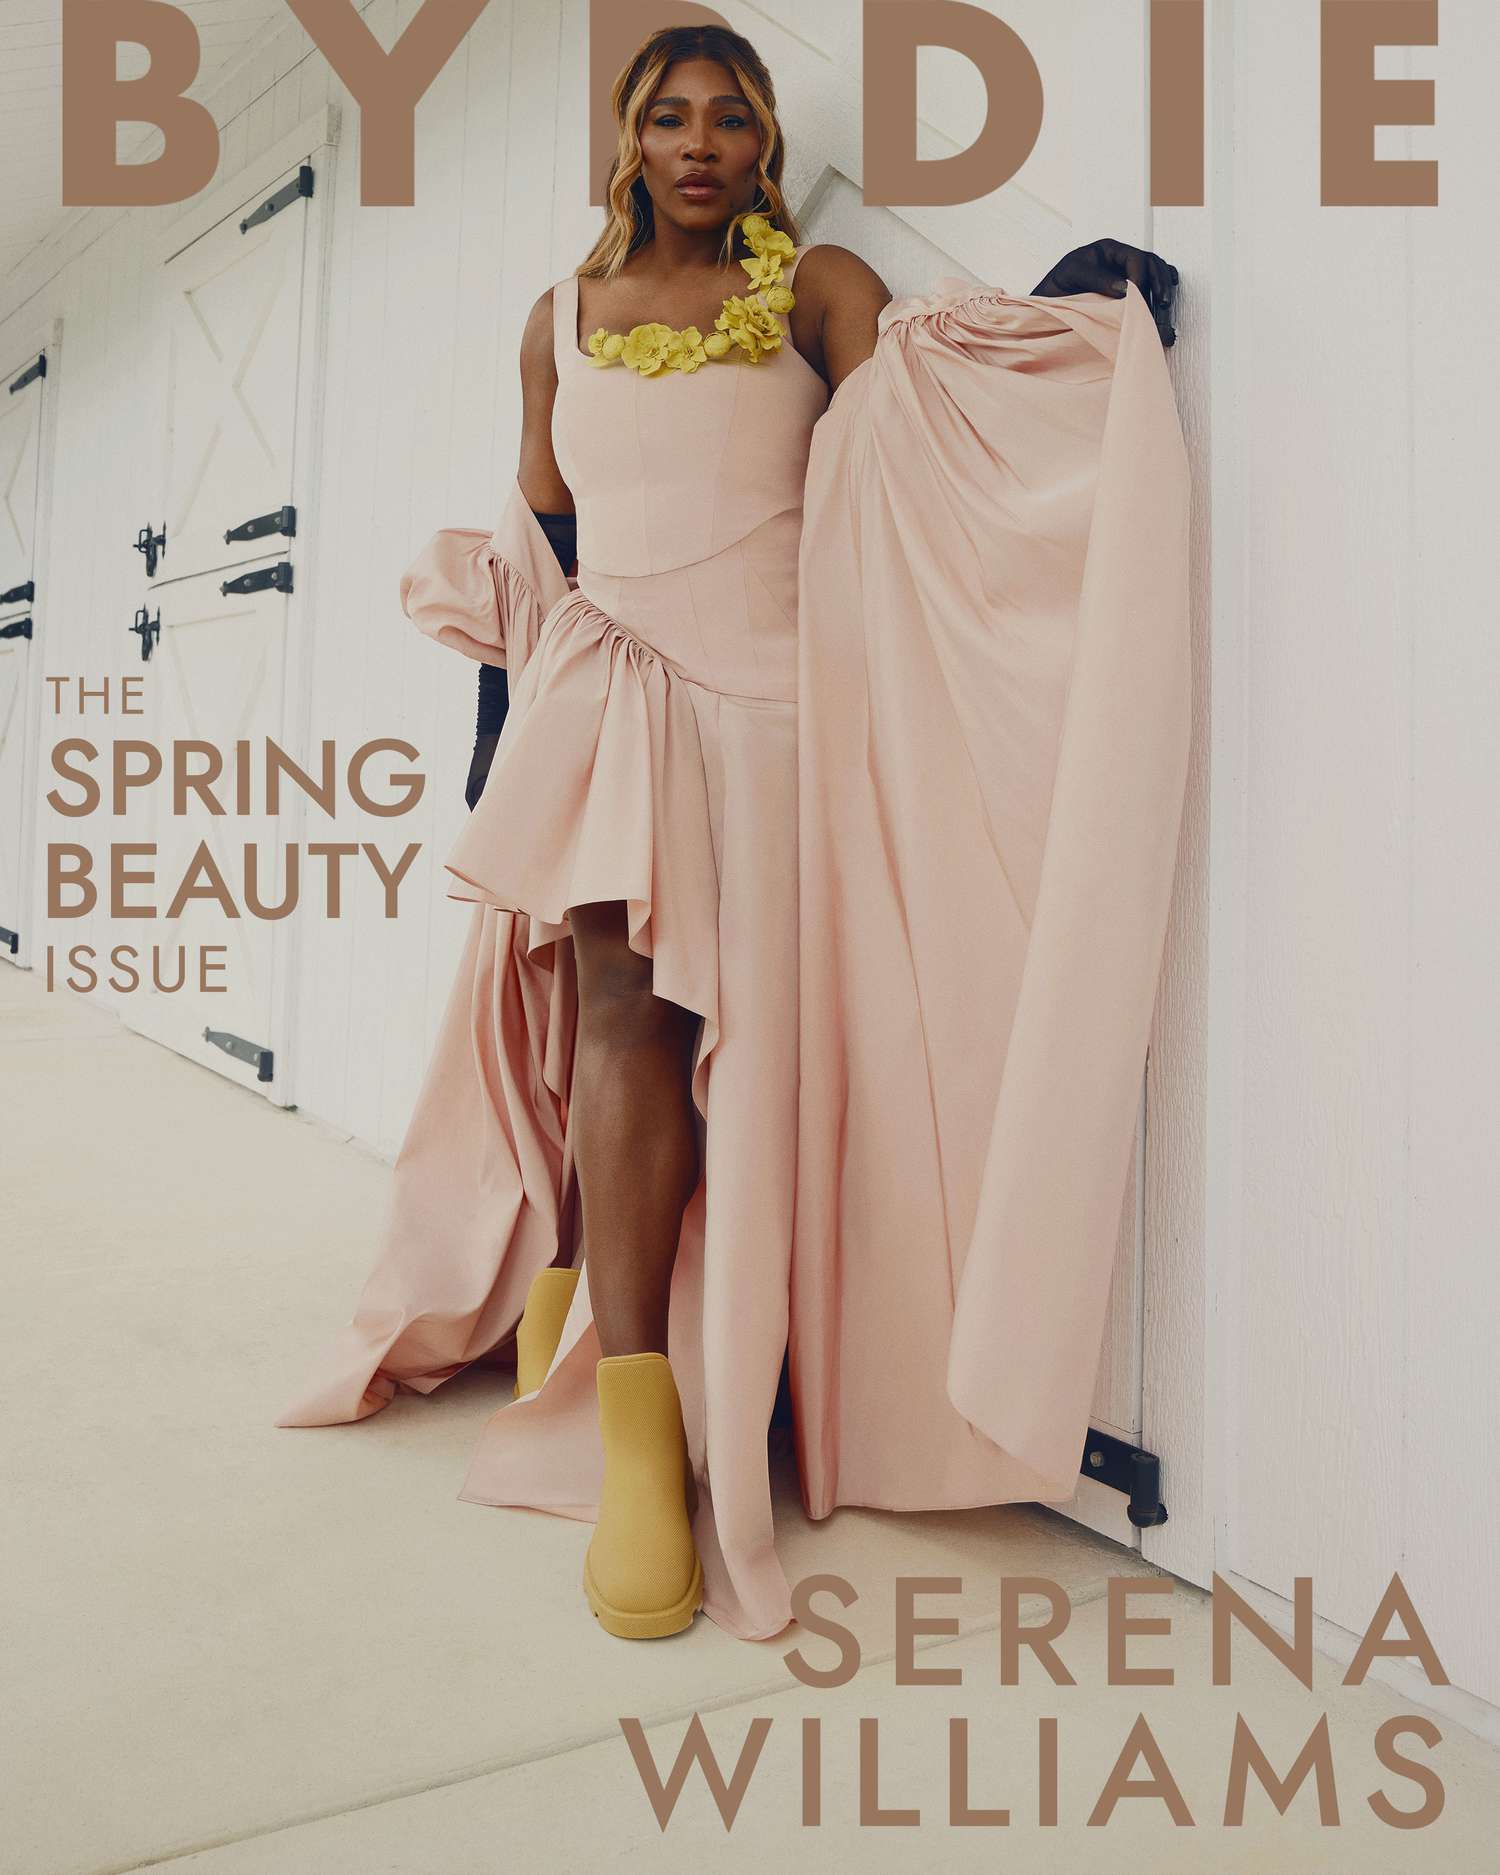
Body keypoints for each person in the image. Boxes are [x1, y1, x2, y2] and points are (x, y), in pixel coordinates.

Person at [278, 23, 1187, 1645]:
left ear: (763, 148)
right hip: (611, 702)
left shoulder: (822, 289)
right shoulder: (555, 323)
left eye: (735, 120)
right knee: (623, 1024)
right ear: (630, 142)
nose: (703, 143)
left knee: (751, 1061)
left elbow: (927, 439)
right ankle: (635, 1442)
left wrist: (1071, 315)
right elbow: (543, 542)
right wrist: (506, 746)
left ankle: (729, 1364)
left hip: (770, 725)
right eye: (672, 116)